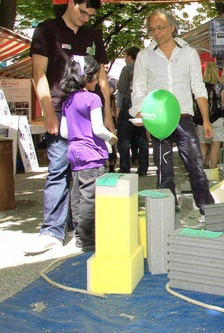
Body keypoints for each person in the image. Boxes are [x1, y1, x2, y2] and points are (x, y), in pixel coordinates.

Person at [26, 0, 112, 254]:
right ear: (71, 3)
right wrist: (48, 112)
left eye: (91, 15)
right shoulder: (46, 31)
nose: (86, 18)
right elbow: (38, 74)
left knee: (87, 173)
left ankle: (80, 226)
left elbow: (103, 77)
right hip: (60, 110)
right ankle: (52, 230)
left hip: (90, 111)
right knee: (58, 168)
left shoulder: (94, 36)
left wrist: (108, 113)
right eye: (82, 11)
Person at [130, 8, 214, 217]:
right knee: (163, 171)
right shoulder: (144, 56)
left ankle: (209, 212)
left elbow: (198, 88)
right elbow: (139, 88)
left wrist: (206, 120)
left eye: (160, 27)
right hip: (158, 120)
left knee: (196, 167)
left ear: (172, 27)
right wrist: (141, 114)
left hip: (184, 118)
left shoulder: (189, 53)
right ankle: (167, 216)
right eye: (152, 29)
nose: (156, 33)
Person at [58, 55, 117, 251]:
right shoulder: (93, 99)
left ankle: (79, 236)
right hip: (92, 155)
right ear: (88, 77)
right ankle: (89, 240)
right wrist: (111, 138)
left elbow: (64, 132)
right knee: (91, 198)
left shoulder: (68, 101)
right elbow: (98, 129)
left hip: (75, 155)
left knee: (77, 195)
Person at [117, 46, 148, 176]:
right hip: (143, 104)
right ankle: (143, 168)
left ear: (130, 56)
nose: (125, 59)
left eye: (126, 56)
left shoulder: (127, 68)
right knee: (142, 137)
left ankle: (125, 167)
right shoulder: (145, 67)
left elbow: (122, 88)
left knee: (124, 138)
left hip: (128, 103)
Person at [202, 62, 224, 169]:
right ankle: (213, 170)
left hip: (202, 119)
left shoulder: (201, 86)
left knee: (203, 145)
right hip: (218, 118)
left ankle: (201, 170)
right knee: (215, 145)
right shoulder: (220, 86)